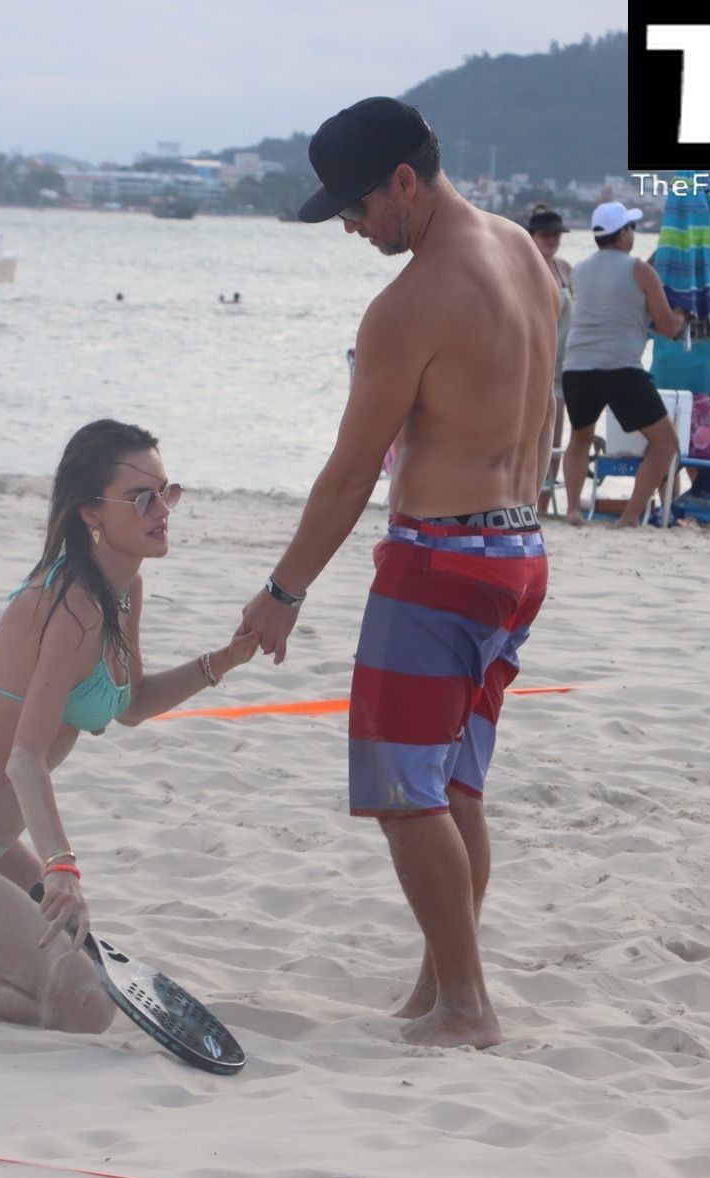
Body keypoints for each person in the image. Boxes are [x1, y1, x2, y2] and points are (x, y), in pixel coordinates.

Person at [235, 96, 557, 1050]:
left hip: (439, 566)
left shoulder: (410, 303)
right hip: (520, 557)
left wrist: (282, 593)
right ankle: (440, 986)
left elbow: (348, 474)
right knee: (453, 788)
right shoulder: (525, 255)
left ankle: (465, 1005)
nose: (350, 227)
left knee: (401, 795)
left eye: (355, 207)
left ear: (404, 183)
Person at [0, 420, 260, 1030]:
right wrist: (61, 865)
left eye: (168, 492)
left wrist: (224, 659)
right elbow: (24, 758)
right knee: (87, 1006)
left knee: (88, 979)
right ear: (91, 511)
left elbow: (131, 704)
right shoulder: (66, 605)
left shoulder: (123, 588)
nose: (163, 510)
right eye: (142, 498)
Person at [558, 201, 687, 528]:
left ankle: (573, 510)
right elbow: (668, 327)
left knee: (579, 438)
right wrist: (682, 315)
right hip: (620, 368)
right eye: (631, 227)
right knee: (666, 443)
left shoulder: (579, 271)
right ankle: (630, 516)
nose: (633, 233)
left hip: (577, 366)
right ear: (623, 234)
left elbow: (612, 298)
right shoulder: (641, 270)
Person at [527, 204, 571, 516]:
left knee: (556, 436)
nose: (552, 239)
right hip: (535, 361)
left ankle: (544, 503)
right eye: (545, 234)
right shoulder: (525, 267)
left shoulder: (564, 268)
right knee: (533, 434)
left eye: (556, 234)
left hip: (564, 362)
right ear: (532, 235)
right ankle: (529, 499)